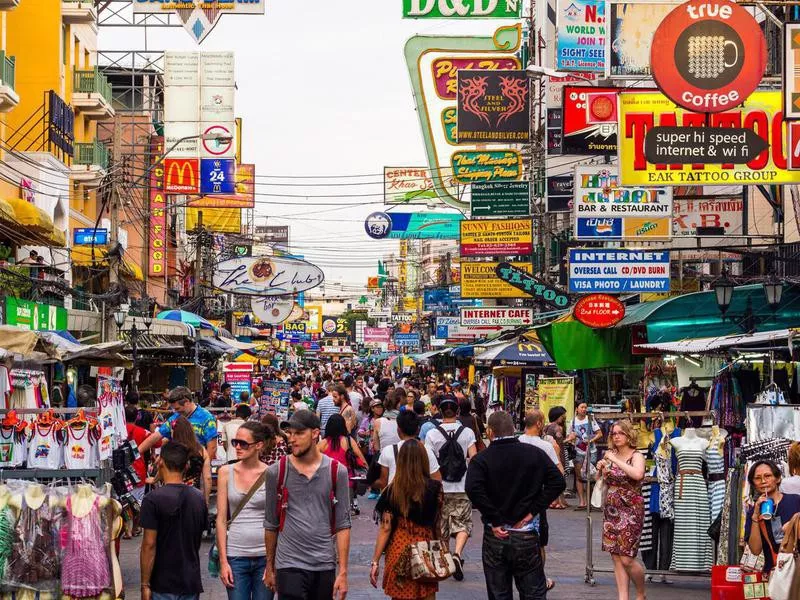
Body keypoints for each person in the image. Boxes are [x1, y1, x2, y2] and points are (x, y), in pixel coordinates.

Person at [465, 411, 565, 600]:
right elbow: (558, 482)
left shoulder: (482, 459)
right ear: (513, 429)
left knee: (499, 592)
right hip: (526, 532)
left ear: (490, 432)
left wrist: (494, 519)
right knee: (533, 592)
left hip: (496, 535)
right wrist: (534, 509)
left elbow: (473, 489)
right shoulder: (534, 454)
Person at [263, 411, 351, 600]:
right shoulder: (276, 472)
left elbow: (343, 524)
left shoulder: (337, 472)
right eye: (289, 434)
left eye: (299, 433)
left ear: (315, 433)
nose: (292, 439)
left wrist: (343, 571)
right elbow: (271, 523)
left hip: (324, 563)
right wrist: (269, 566)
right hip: (289, 564)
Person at [370, 441, 444, 600]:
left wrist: (375, 561)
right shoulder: (435, 488)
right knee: (427, 594)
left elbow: (385, 528)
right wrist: (442, 549)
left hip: (399, 552)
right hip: (426, 550)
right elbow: (437, 524)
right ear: (424, 460)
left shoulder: (392, 490)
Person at [140, 442, 208, 600]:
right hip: (190, 581)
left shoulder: (152, 499)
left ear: (160, 462)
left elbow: (149, 545)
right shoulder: (198, 498)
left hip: (162, 583)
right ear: (187, 465)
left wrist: (144, 584)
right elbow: (196, 539)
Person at [424, 394, 477, 581]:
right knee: (463, 523)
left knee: (442, 525)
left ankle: (447, 560)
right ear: (457, 411)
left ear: (440, 411)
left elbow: (428, 462)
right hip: (462, 486)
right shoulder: (468, 432)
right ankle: (457, 553)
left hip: (441, 486)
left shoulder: (432, 434)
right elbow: (473, 457)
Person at [217, 422, 271, 600]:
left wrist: (273, 563)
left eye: (243, 443)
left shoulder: (272, 473)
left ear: (259, 445)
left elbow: (276, 520)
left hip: (265, 555)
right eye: (235, 442)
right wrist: (223, 561)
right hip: (236, 555)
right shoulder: (226, 472)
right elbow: (221, 520)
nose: (238, 447)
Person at [596, 420, 646, 600]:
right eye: (613, 433)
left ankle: (640, 593)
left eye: (620, 433)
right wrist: (600, 469)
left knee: (627, 558)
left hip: (631, 510)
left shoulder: (636, 455)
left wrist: (615, 460)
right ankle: (622, 597)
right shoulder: (610, 454)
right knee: (616, 556)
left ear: (628, 435)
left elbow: (638, 474)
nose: (616, 436)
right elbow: (600, 480)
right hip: (612, 510)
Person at [518, 409, 564, 591]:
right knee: (539, 542)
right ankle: (538, 578)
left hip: (517, 497)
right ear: (538, 424)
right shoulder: (545, 446)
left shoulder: (517, 442)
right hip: (537, 499)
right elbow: (559, 474)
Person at [745, 459, 800, 574]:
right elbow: (755, 550)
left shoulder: (795, 500)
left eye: (768, 476)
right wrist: (755, 516)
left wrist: (791, 527)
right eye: (757, 478)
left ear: (778, 478)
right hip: (774, 573)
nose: (763, 481)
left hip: (797, 568)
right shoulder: (753, 512)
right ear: (753, 484)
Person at [139, 386, 218, 459]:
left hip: (196, 466)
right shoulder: (175, 417)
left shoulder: (207, 418)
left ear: (187, 402)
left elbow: (212, 448)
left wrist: (203, 468)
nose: (176, 411)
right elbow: (156, 436)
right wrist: (136, 453)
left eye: (177, 408)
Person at [376, 410, 441, 490]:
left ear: (398, 430)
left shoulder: (388, 451)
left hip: (396, 498)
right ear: (418, 430)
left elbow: (383, 482)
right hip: (420, 498)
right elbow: (437, 480)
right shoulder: (426, 450)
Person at [319, 413, 368, 515]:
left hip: (326, 481)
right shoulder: (349, 441)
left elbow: (313, 461)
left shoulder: (323, 443)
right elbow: (362, 460)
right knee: (344, 513)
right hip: (346, 481)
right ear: (343, 426)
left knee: (327, 512)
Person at [566, 402, 602, 509]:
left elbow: (599, 434)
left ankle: (591, 501)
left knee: (591, 475)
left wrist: (591, 440)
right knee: (579, 476)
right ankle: (582, 502)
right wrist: (572, 439)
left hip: (591, 451)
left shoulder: (590, 419)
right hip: (578, 451)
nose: (584, 409)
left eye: (585, 407)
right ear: (577, 409)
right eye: (582, 407)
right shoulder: (572, 422)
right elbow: (569, 436)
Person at [171, 416, 213, 507]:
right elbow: (208, 478)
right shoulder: (201, 450)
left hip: (172, 497)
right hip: (195, 498)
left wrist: (154, 480)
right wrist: (206, 501)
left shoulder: (170, 449)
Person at [372, 389, 401, 453]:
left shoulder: (378, 422)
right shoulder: (403, 421)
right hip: (400, 458)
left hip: (384, 457)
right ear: (398, 404)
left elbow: (376, 447)